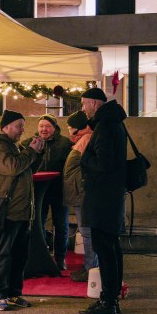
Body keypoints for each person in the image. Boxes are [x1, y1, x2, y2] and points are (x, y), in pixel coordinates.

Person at [0, 110, 44, 311]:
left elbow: (27, 170)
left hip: (21, 209)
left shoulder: (13, 145)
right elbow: (12, 167)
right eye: (19, 126)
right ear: (6, 126)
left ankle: (14, 293)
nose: (22, 130)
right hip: (6, 208)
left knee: (19, 255)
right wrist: (31, 152)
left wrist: (37, 153)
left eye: (23, 126)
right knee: (3, 253)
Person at [78, 87, 127, 314]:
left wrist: (85, 159)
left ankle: (108, 301)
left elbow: (104, 163)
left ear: (94, 103)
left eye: (84, 103)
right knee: (111, 247)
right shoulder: (114, 122)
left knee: (105, 248)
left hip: (102, 197)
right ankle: (111, 297)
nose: (83, 108)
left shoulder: (105, 125)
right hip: (111, 196)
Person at [21, 113, 73, 270]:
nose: (44, 129)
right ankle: (43, 255)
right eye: (41, 126)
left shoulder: (65, 143)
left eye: (48, 126)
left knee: (61, 225)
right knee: (38, 224)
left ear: (55, 128)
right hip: (38, 192)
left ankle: (60, 258)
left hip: (59, 191)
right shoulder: (30, 143)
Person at [63, 111, 98, 282]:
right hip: (79, 192)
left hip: (82, 193)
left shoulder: (86, 139)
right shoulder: (83, 139)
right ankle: (90, 266)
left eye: (70, 127)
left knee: (87, 232)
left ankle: (90, 268)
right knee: (87, 232)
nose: (68, 131)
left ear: (77, 127)